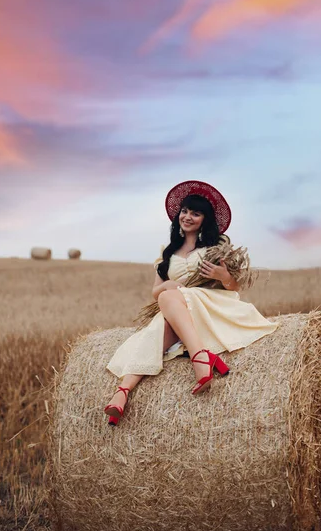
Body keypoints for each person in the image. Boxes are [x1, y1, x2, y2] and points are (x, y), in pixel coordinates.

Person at [104, 180, 278, 425]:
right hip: (178, 310)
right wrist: (165, 286)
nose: (187, 217)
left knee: (167, 303)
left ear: (205, 220)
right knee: (155, 334)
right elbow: (157, 291)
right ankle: (122, 393)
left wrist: (222, 276)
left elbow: (234, 286)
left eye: (195, 213)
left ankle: (197, 357)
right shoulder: (167, 252)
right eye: (184, 211)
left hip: (209, 304)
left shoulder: (216, 248)